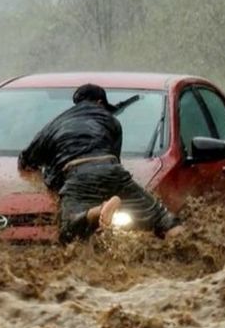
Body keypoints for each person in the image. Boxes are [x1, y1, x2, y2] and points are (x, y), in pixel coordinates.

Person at [18, 83, 184, 243]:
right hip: (112, 170)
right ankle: (186, 250)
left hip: (78, 175)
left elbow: (25, 161)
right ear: (99, 102)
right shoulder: (111, 121)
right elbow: (114, 160)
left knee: (68, 231)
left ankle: (96, 212)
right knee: (162, 218)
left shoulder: (54, 125)